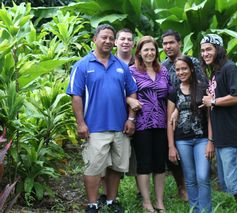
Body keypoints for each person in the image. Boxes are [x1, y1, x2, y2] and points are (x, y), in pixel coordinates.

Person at [66, 24, 138, 213]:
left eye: (110, 38)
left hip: (120, 127)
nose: (107, 41)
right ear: (94, 39)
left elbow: (132, 92)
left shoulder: (121, 66)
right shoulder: (82, 65)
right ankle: (92, 203)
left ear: (114, 42)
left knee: (116, 167)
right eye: (103, 37)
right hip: (94, 127)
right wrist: (81, 124)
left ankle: (111, 201)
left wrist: (131, 119)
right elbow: (76, 96)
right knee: (93, 168)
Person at [200, 34, 237, 213]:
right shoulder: (215, 73)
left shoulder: (230, 68)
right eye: (203, 50)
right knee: (231, 183)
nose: (205, 53)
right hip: (222, 137)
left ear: (218, 50)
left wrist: (213, 101)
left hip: (233, 136)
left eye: (209, 49)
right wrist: (212, 140)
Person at [161, 29, 207, 201]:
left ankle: (196, 188)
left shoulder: (192, 62)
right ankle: (182, 186)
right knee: (173, 155)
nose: (168, 46)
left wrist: (179, 108)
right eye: (165, 43)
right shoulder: (163, 67)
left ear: (179, 43)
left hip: (194, 116)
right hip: (171, 118)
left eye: (171, 42)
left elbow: (202, 86)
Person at [99, 28, 142, 202]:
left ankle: (141, 192)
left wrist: (132, 110)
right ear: (116, 42)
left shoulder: (138, 63)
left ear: (133, 44)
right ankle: (107, 195)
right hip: (108, 118)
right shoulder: (106, 62)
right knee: (104, 159)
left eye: (129, 39)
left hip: (135, 119)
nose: (125, 42)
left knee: (134, 158)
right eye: (122, 39)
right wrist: (128, 99)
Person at [167, 55, 214, 213]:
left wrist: (210, 141)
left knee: (202, 177)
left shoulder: (203, 87)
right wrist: (171, 147)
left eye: (184, 68)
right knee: (190, 178)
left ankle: (205, 210)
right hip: (182, 141)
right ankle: (195, 210)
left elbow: (210, 117)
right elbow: (169, 121)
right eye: (178, 69)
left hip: (202, 139)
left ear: (191, 69)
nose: (181, 72)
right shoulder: (174, 92)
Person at [130, 36, 170, 213]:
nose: (149, 53)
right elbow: (123, 93)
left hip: (161, 123)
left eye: (152, 49)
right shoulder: (131, 71)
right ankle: (147, 202)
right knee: (144, 163)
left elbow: (171, 96)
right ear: (139, 52)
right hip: (142, 124)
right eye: (146, 50)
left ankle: (159, 201)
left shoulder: (163, 71)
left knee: (160, 165)